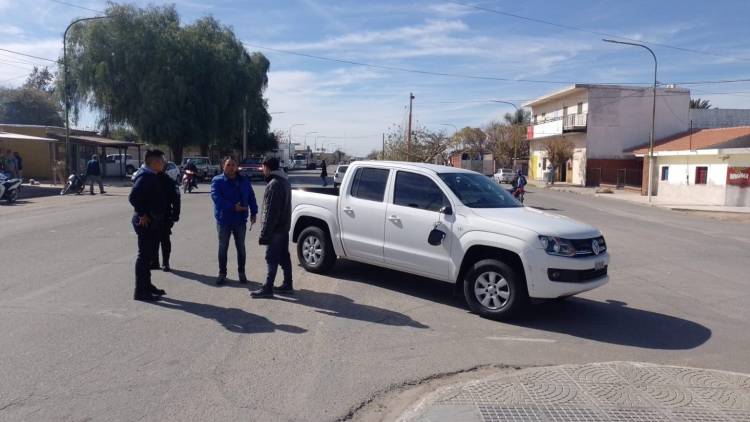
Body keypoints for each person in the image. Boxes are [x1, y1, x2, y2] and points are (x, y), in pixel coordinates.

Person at [129, 149, 169, 302]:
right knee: (144, 257)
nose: (164, 163)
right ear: (154, 162)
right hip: (145, 222)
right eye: (162, 160)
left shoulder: (152, 175)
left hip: (153, 221)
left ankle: (147, 285)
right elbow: (133, 197)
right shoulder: (145, 177)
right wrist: (142, 214)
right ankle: (140, 291)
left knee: (149, 257)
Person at [211, 156, 258, 285]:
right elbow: (217, 199)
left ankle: (241, 273)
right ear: (223, 166)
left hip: (240, 221)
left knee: (241, 248)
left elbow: (251, 197)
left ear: (237, 166)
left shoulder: (244, 180)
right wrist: (233, 207)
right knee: (223, 247)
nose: (231, 168)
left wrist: (254, 212)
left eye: (233, 165)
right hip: (224, 220)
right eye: (228, 165)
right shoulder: (217, 181)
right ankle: (222, 273)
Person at [251, 157, 293, 299]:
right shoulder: (284, 181)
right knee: (283, 256)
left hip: (276, 229)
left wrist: (265, 233)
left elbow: (271, 212)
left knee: (271, 257)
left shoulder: (274, 184)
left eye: (262, 167)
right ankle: (288, 284)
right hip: (283, 227)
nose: (262, 170)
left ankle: (268, 287)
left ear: (266, 167)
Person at [132, 163, 181, 272]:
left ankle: (166, 262)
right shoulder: (146, 179)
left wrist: (175, 215)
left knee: (164, 239)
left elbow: (176, 199)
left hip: (164, 215)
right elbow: (135, 197)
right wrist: (141, 213)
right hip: (149, 215)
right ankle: (154, 261)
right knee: (152, 240)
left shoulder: (168, 181)